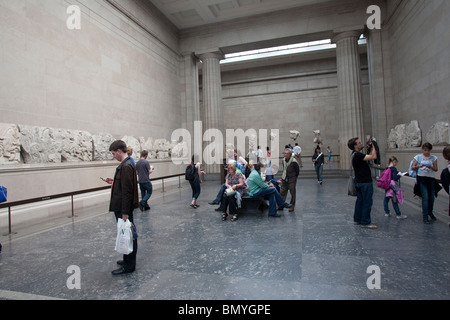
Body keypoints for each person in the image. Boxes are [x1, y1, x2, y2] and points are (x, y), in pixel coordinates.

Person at [105, 140, 139, 275]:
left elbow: (127, 191)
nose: (114, 156)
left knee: (128, 235)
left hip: (123, 208)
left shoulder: (126, 166)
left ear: (119, 151)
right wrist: (113, 182)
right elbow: (124, 185)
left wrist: (125, 211)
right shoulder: (127, 164)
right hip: (122, 207)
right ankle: (127, 260)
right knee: (126, 234)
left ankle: (129, 264)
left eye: (114, 153)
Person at [347, 137, 378, 229]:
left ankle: (357, 219)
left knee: (360, 201)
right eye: (359, 142)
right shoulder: (357, 155)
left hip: (359, 181)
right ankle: (365, 222)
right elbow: (373, 157)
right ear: (355, 146)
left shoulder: (354, 154)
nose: (361, 143)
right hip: (365, 181)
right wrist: (374, 145)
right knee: (367, 202)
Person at [412, 142, 438, 224]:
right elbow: (413, 167)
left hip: (430, 179)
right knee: (425, 197)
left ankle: (430, 212)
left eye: (428, 150)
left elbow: (436, 169)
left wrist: (430, 167)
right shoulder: (418, 157)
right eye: (425, 150)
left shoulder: (433, 158)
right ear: (423, 149)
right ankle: (425, 216)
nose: (426, 152)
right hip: (422, 179)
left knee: (431, 197)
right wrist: (418, 166)